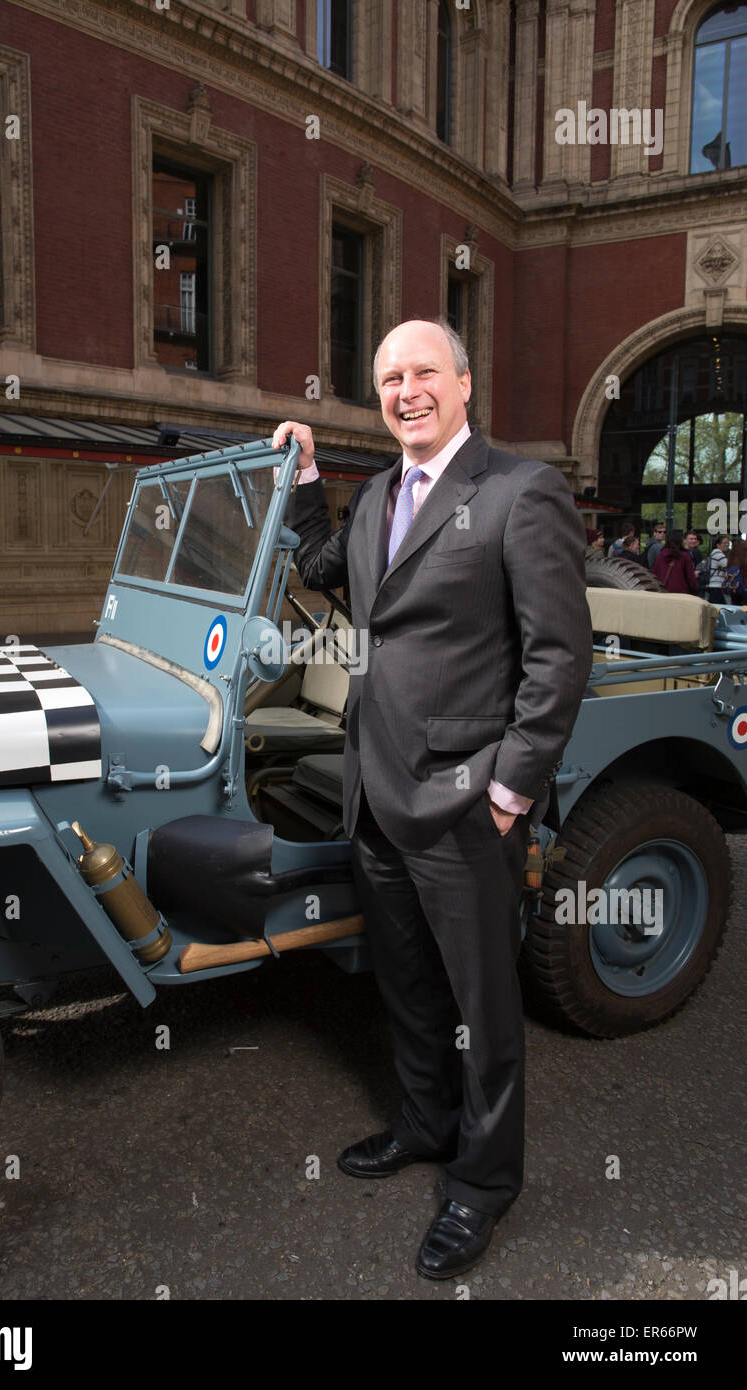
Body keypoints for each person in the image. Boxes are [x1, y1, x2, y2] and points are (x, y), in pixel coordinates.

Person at [271, 318, 593, 1280]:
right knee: (406, 986)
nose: (403, 390)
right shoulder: (376, 496)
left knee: (484, 1008)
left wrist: (507, 791)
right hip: (374, 795)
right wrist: (304, 478)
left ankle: (484, 1184)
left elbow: (558, 658)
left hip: (463, 804)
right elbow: (323, 572)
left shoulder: (519, 492)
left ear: (461, 381)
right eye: (386, 379)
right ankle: (423, 1122)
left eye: (421, 373)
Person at [652, 530, 698, 594]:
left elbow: (654, 573)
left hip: (663, 591)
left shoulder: (661, 555)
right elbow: (690, 577)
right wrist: (695, 590)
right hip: (681, 593)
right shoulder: (684, 556)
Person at [707, 535, 731, 603]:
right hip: (716, 585)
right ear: (718, 545)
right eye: (724, 543)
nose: (727, 545)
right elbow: (729, 566)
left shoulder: (714, 554)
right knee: (718, 608)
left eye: (728, 543)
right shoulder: (718, 554)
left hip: (715, 585)